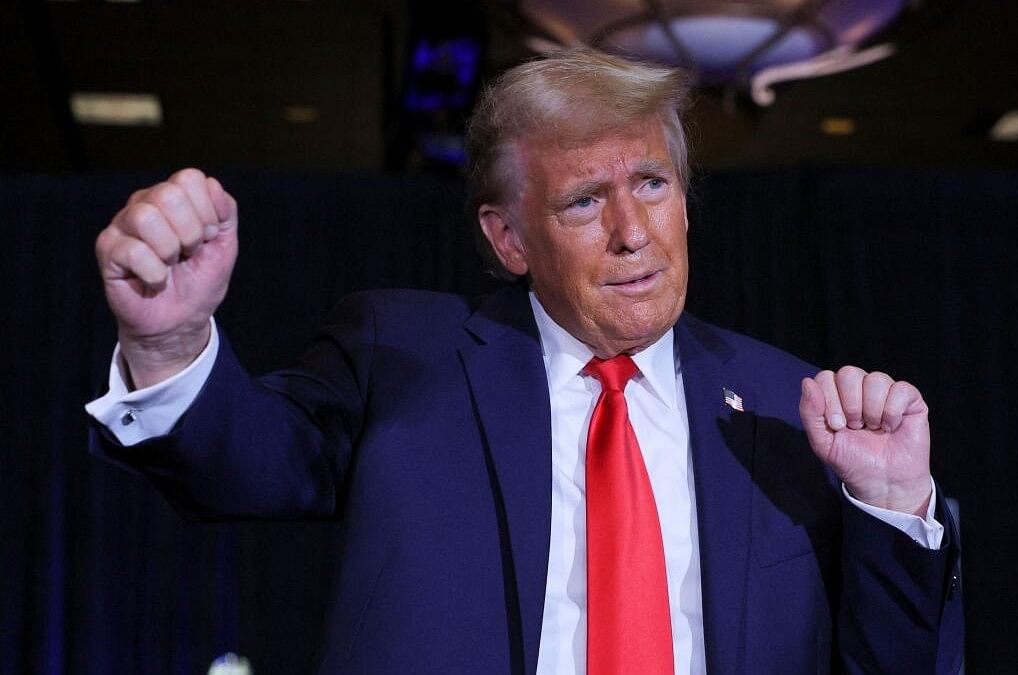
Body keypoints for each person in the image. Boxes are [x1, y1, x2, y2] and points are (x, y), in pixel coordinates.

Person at [87, 48, 963, 673]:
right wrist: (167, 341)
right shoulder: (403, 358)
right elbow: (247, 465)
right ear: (508, 238)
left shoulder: (789, 404)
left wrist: (892, 509)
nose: (632, 233)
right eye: (585, 200)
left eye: (652, 184)